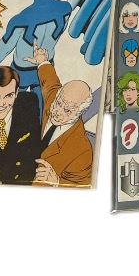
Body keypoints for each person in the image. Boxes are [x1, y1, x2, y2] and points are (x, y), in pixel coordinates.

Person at [31, 49, 95, 188]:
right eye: (59, 103)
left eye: (67, 110)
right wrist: (42, 61)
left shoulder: (83, 150)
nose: (58, 112)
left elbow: (84, 186)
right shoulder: (53, 97)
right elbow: (50, 80)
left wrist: (57, 182)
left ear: (79, 112)